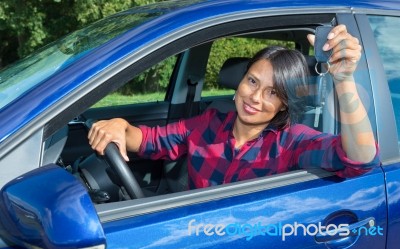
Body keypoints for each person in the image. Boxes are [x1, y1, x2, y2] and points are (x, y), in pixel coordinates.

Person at [88, 25, 379, 189]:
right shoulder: (208, 124)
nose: (254, 97)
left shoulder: (292, 142)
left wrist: (343, 80)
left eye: (272, 93)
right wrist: (120, 127)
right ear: (241, 80)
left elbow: (360, 159)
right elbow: (151, 140)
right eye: (252, 81)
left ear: (282, 105)